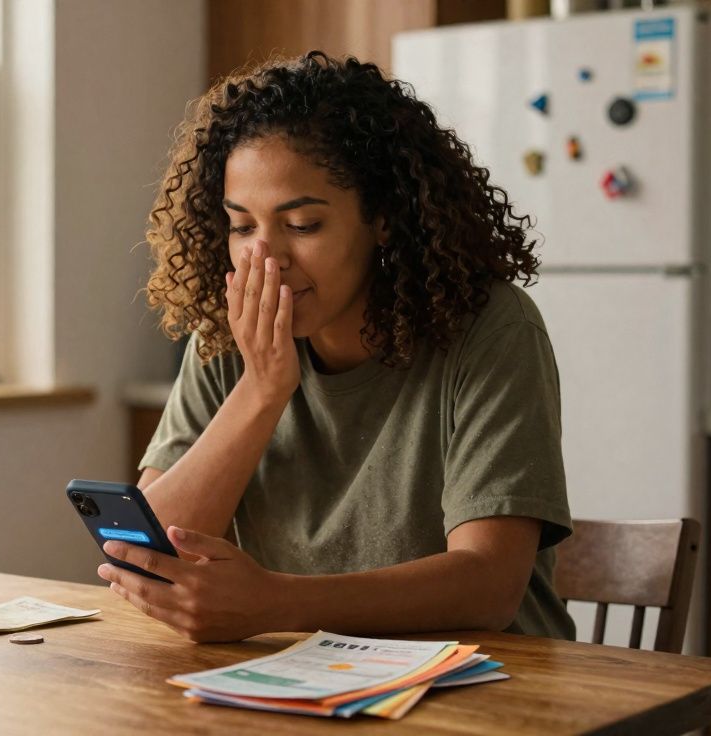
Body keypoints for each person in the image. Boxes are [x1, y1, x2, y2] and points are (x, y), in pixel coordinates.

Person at [97, 52, 575, 643]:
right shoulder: (228, 333)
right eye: (242, 227)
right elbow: (144, 552)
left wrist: (276, 604)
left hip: (488, 686)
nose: (264, 258)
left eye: (302, 225)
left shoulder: (489, 328)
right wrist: (262, 388)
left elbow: (489, 585)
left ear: (384, 219)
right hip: (299, 680)